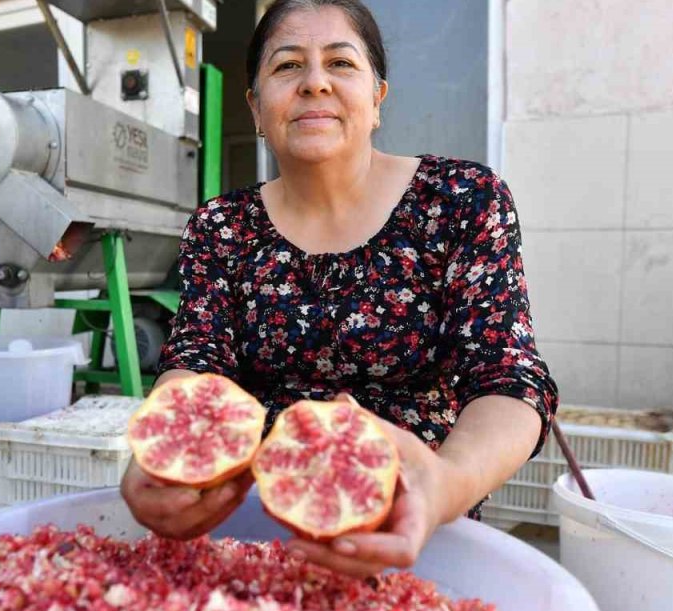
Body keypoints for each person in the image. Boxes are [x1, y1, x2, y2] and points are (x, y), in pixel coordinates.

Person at [121, 0, 558, 579]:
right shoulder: (220, 227)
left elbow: (507, 376)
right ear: (255, 107)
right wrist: (164, 450)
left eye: (341, 63)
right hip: (254, 531)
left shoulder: (462, 201)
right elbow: (196, 364)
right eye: (287, 66)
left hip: (418, 529)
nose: (315, 83)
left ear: (377, 97)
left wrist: (447, 484)